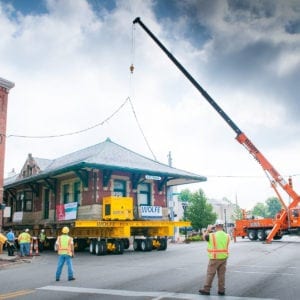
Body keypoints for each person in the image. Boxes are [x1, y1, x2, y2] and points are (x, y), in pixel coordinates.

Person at [199, 219, 230, 296]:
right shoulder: (227, 236)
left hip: (214, 258)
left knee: (210, 274)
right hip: (224, 258)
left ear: (216, 226)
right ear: (222, 226)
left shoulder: (212, 235)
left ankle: (206, 289)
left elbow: (204, 237)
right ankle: (221, 290)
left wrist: (208, 230)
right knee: (221, 275)